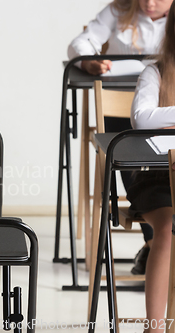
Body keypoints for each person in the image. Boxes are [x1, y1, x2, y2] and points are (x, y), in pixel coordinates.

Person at [68, 0, 173, 274]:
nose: (149, 3)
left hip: (165, 105)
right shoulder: (120, 9)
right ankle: (153, 244)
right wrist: (90, 61)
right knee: (128, 150)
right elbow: (81, 43)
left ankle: (160, 246)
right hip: (121, 107)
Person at [129, 2, 175, 330]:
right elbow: (141, 118)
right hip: (157, 174)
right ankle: (155, 326)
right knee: (168, 228)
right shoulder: (155, 70)